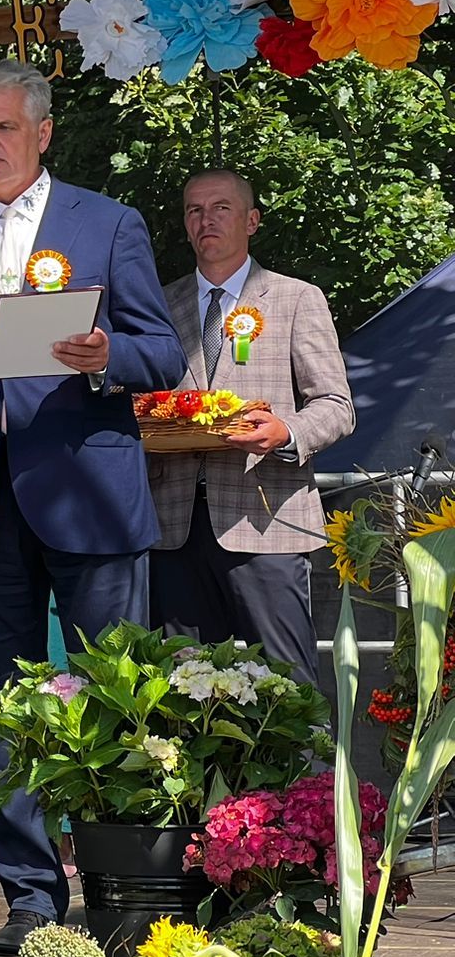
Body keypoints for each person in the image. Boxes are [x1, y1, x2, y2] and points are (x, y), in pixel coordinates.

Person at [0, 58, 184, 952]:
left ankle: (129, 886)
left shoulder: (108, 222)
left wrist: (107, 357)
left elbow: (163, 354)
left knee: (112, 696)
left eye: (4, 128)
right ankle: (29, 899)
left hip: (86, 494)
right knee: (3, 711)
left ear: (43, 133)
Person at [148, 169, 354, 684]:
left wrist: (284, 432)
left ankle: (310, 771)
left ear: (252, 220)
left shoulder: (296, 298)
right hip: (172, 527)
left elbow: (335, 405)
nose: (206, 220)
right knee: (184, 696)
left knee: (288, 692)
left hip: (266, 519)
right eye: (194, 210)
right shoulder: (157, 305)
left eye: (221, 208)